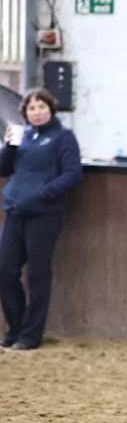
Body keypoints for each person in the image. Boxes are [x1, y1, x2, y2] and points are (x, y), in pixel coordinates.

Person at [0, 88, 82, 350]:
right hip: (15, 210)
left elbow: (72, 174)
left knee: (37, 274)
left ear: (51, 109)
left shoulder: (63, 137)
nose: (36, 112)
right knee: (5, 270)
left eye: (41, 107)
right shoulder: (23, 137)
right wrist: (10, 147)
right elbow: (4, 168)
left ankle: (31, 335)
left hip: (43, 215)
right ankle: (16, 327)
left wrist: (44, 194)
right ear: (25, 113)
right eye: (31, 108)